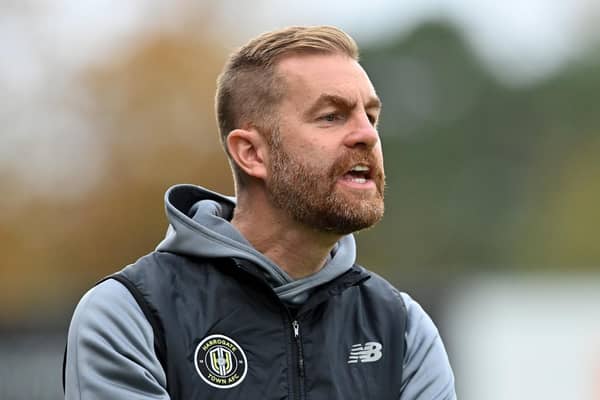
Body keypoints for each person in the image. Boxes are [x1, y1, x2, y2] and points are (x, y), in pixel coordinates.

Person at [64, 25, 456, 399]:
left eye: (370, 117)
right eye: (331, 116)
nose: (367, 135)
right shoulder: (130, 315)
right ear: (252, 153)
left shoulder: (403, 329)